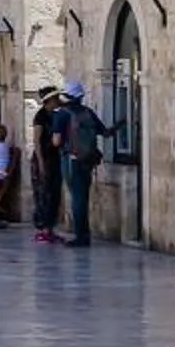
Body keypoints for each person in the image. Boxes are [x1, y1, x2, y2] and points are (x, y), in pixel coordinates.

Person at [56, 82, 106, 246]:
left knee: (76, 198)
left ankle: (81, 236)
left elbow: (56, 141)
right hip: (87, 160)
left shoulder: (62, 114)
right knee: (83, 196)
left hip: (71, 159)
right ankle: (84, 234)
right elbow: (104, 132)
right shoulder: (88, 112)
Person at [27, 88, 66, 243]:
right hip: (44, 159)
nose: (58, 101)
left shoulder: (55, 115)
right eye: (55, 98)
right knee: (43, 193)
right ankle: (43, 227)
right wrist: (41, 162)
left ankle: (50, 228)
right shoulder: (40, 117)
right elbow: (36, 141)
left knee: (54, 193)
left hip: (54, 158)